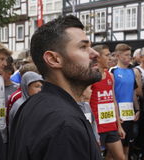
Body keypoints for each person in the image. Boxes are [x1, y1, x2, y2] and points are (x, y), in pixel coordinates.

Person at [8, 15, 102, 160]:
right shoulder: (65, 124)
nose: (95, 54)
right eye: (83, 47)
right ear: (53, 59)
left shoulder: (31, 105)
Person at [91, 44, 125, 160]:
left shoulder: (110, 75)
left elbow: (113, 100)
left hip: (111, 125)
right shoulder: (90, 76)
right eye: (107, 55)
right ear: (98, 57)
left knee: (120, 157)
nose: (110, 58)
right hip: (97, 127)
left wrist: (119, 125)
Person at [110, 43, 141, 160]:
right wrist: (116, 116)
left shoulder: (132, 72)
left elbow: (133, 92)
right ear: (118, 55)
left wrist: (137, 109)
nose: (130, 57)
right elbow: (111, 95)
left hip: (129, 115)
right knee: (114, 153)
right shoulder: (113, 71)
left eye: (130, 55)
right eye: (127, 55)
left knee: (127, 148)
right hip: (117, 117)